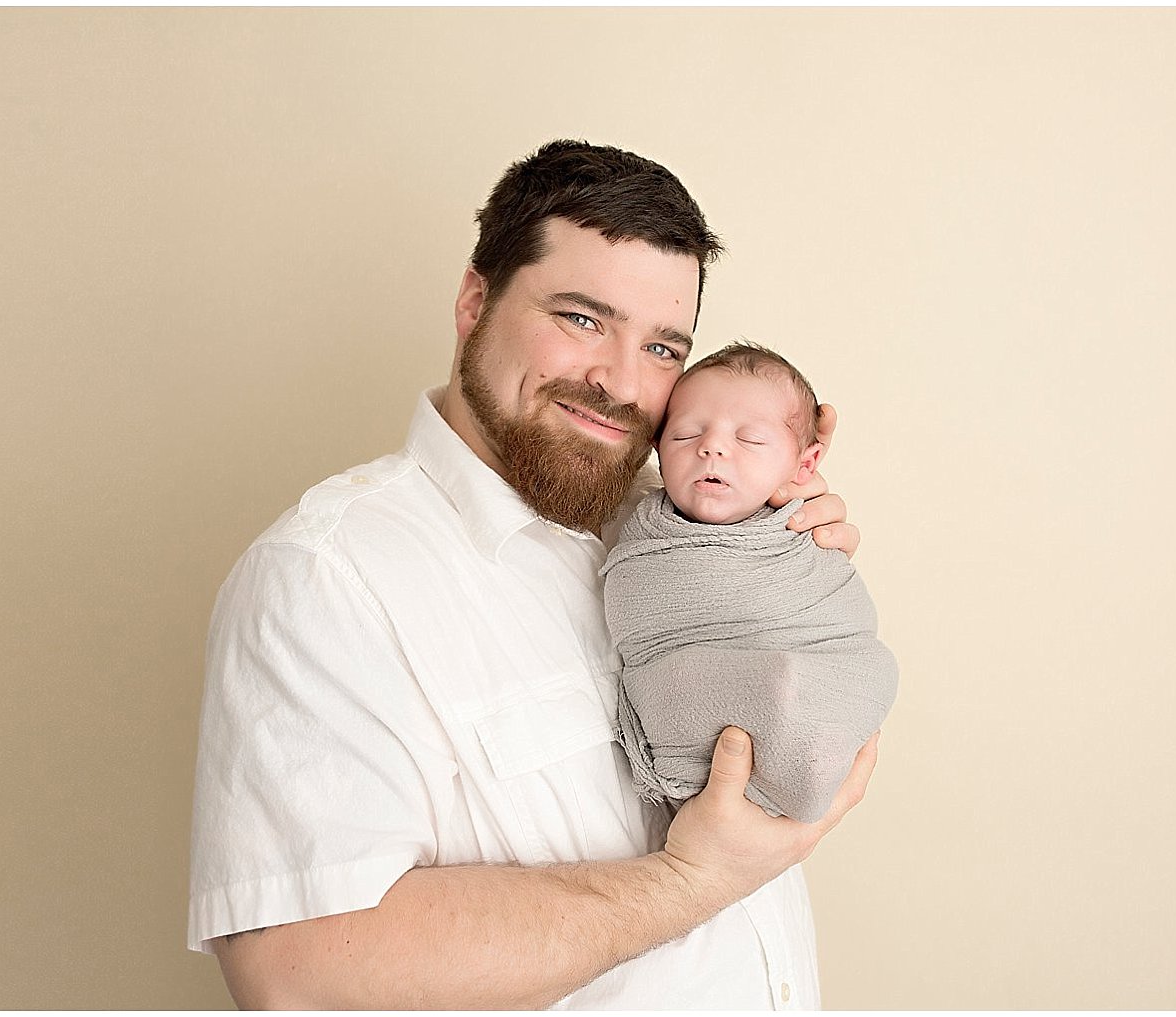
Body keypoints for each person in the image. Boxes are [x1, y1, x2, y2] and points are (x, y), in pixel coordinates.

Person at [188, 140, 881, 1009]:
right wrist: (691, 878)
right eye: (582, 319)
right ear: (474, 301)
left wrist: (786, 548)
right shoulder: (327, 577)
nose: (621, 382)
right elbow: (300, 972)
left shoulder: (679, 525)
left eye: (663, 347)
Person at [602, 342, 899, 825]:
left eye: (752, 441)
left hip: (816, 678)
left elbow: (845, 627)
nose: (712, 447)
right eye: (685, 434)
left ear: (806, 465)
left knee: (820, 680)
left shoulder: (805, 535)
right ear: (656, 449)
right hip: (689, 764)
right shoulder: (632, 528)